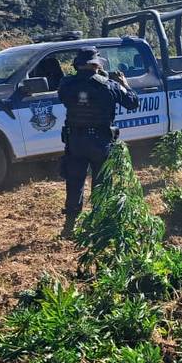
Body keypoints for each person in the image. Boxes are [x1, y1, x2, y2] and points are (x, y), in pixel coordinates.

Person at [58, 49, 139, 237]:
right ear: (97, 64)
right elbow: (133, 102)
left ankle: (69, 226)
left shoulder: (66, 85)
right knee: (101, 184)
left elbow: (66, 97)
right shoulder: (110, 86)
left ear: (78, 64)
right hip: (100, 142)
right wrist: (124, 84)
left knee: (74, 182)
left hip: (75, 141)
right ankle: (99, 223)